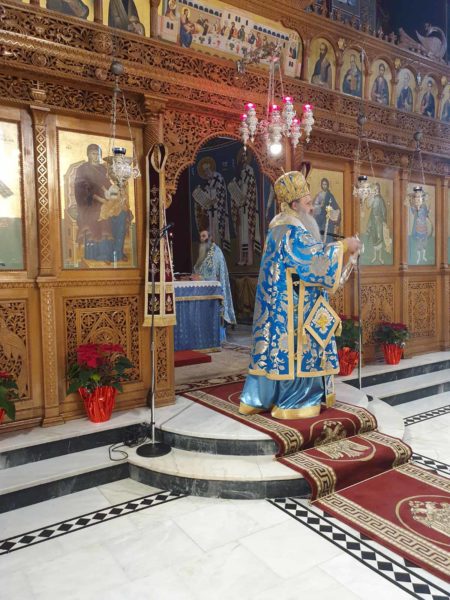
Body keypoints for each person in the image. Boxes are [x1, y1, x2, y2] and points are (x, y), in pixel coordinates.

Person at [239, 169, 361, 419]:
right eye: (307, 203)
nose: (312, 208)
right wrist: (343, 246)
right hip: (294, 309)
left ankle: (262, 397)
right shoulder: (291, 232)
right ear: (294, 205)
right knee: (295, 352)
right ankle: (296, 401)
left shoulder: (278, 229)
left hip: (279, 306)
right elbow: (313, 263)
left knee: (273, 352)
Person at [74, 144, 114, 262]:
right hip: (88, 203)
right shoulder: (82, 169)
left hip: (105, 201)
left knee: (116, 214)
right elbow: (80, 188)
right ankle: (96, 254)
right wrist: (98, 199)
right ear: (88, 154)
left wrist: (112, 193)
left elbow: (108, 184)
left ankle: (111, 252)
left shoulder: (103, 169)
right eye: (93, 154)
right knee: (98, 216)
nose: (96, 156)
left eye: (98, 154)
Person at [193, 229, 236, 325]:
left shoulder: (216, 251)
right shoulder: (204, 251)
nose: (201, 239)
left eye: (204, 236)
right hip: (203, 288)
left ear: (210, 237)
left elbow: (215, 274)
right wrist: (195, 275)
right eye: (200, 237)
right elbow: (198, 268)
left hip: (213, 290)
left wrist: (201, 278)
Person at [229, 150, 261, 267]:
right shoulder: (241, 174)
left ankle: (250, 259)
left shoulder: (249, 171)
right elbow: (238, 190)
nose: (243, 160)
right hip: (241, 208)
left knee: (247, 233)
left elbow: (251, 188)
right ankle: (242, 258)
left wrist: (246, 200)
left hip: (247, 208)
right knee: (242, 233)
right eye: (241, 158)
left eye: (245, 157)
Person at [365, 183, 390, 264]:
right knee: (374, 238)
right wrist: (370, 197)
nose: (375, 190)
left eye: (376, 189)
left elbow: (384, 211)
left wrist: (384, 221)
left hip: (379, 222)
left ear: (379, 190)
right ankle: (375, 257)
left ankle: (380, 257)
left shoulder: (381, 199)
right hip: (373, 221)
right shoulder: (373, 198)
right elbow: (368, 206)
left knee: (380, 238)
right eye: (374, 189)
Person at [312, 178, 341, 243]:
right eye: (323, 184)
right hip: (320, 216)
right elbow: (315, 206)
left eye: (325, 184)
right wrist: (320, 206)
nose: (324, 186)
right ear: (321, 185)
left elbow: (335, 207)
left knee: (328, 233)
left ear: (327, 185)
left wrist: (332, 211)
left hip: (328, 217)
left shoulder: (330, 195)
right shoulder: (319, 195)